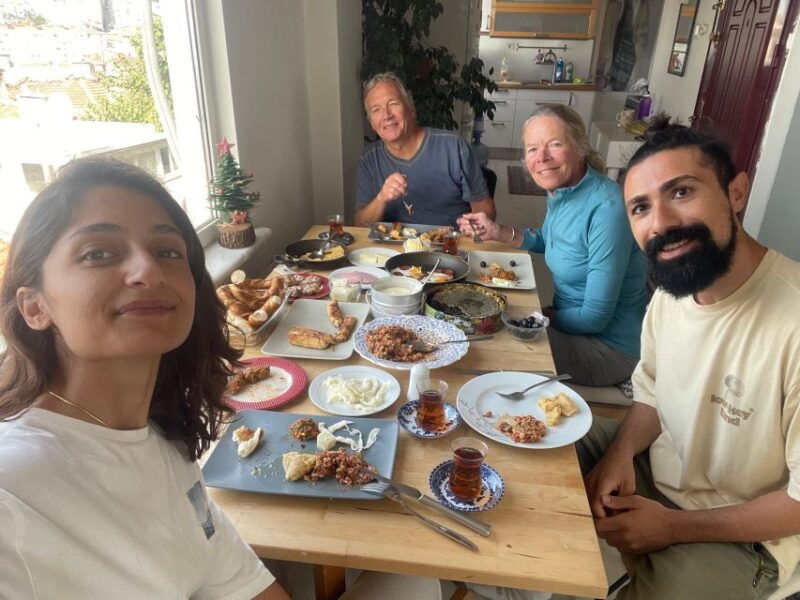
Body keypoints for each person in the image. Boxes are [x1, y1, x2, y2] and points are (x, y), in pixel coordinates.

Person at [0, 158, 289, 599]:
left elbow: (242, 586)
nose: (148, 271)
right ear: (34, 306)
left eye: (168, 252)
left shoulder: (166, 440)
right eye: (98, 253)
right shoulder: (12, 491)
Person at [579, 119, 800, 598]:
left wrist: (672, 528)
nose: (660, 223)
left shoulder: (793, 320)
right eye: (641, 208)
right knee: (532, 446)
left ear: (736, 192)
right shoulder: (674, 291)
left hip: (747, 536)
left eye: (680, 192)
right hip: (658, 472)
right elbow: (652, 392)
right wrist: (619, 453)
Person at [458, 104, 647, 387]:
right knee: (482, 322)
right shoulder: (563, 190)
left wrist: (541, 316)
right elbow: (548, 239)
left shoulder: (608, 209)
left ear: (579, 147)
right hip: (571, 324)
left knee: (490, 346)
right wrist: (498, 231)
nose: (542, 157)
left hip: (606, 348)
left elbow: (595, 318)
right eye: (532, 149)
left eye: (554, 144)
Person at [355, 72, 496, 227]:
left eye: (393, 104)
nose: (386, 115)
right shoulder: (369, 158)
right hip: (393, 249)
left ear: (410, 107)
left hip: (448, 245)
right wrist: (381, 198)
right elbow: (361, 225)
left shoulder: (453, 147)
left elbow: (485, 206)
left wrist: (475, 224)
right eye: (376, 110)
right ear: (372, 123)